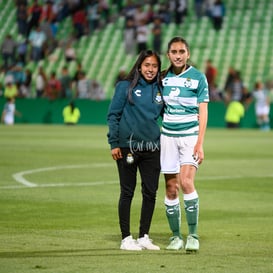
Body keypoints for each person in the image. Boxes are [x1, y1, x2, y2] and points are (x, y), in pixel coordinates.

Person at [107, 50, 163, 251]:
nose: (150, 69)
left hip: (153, 148)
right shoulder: (125, 86)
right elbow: (113, 115)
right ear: (139, 66)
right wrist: (113, 143)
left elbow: (168, 115)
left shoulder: (160, 88)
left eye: (154, 66)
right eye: (147, 65)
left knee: (150, 193)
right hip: (127, 147)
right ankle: (126, 238)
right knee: (127, 192)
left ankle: (144, 236)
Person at [160, 37, 209, 253]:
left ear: (188, 53)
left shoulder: (198, 77)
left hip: (190, 136)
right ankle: (175, 237)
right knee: (171, 188)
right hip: (167, 136)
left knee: (187, 181)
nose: (178, 55)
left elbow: (203, 110)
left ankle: (193, 235)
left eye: (181, 51)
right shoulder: (162, 78)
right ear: (168, 55)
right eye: (173, 51)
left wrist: (200, 143)